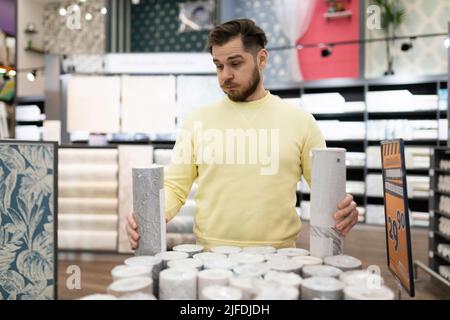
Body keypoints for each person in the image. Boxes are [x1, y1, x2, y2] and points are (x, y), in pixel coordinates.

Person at [127, 18, 359, 250]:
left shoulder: (300, 122)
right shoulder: (197, 121)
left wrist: (345, 209)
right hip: (211, 259)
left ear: (261, 59)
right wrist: (148, 215)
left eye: (235, 64)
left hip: (280, 260)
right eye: (219, 66)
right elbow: (175, 189)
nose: (225, 75)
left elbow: (324, 189)